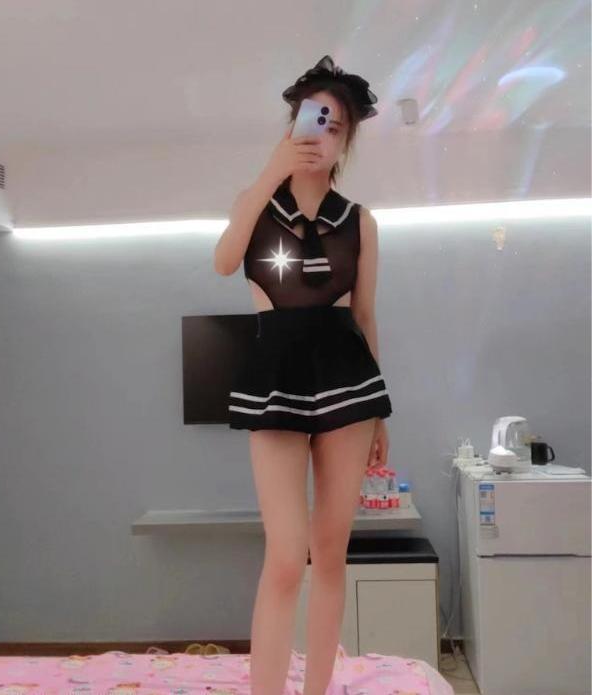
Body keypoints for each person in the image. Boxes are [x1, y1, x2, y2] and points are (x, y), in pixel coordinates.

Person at [214, 55, 393, 695]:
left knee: (331, 552)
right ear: (292, 124)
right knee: (287, 554)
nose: (322, 134)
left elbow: (364, 315)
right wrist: (272, 171)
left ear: (347, 142)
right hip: (275, 378)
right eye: (313, 118)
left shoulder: (360, 221)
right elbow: (223, 261)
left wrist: (381, 417)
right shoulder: (255, 205)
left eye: (335, 126)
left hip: (349, 382)